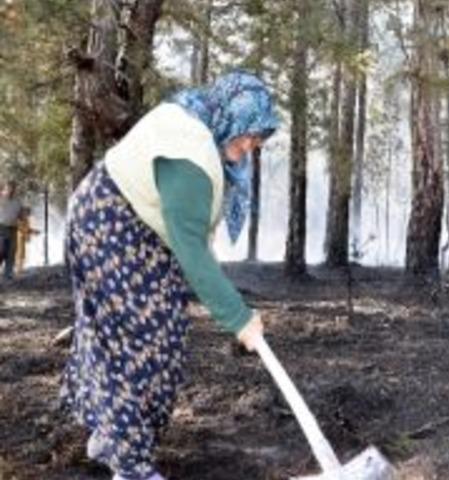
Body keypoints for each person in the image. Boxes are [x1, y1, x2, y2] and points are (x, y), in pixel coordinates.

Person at [60, 71, 280, 480]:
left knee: (166, 340)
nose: (251, 145)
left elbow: (192, 236)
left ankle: (116, 436)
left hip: (140, 231)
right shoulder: (190, 157)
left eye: (259, 137)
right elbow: (192, 250)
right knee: (138, 343)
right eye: (249, 132)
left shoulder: (204, 129)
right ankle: (131, 465)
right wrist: (237, 317)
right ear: (230, 116)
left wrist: (231, 308)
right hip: (107, 226)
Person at [0, 180, 23, 280]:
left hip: (13, 228)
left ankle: (8, 273)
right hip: (2, 227)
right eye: (9, 188)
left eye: (13, 188)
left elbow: (20, 215)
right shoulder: (1, 198)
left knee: (11, 251)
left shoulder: (17, 201)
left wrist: (24, 214)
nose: (12, 190)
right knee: (1, 250)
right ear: (6, 188)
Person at [14, 206, 40, 274]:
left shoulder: (25, 220)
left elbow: (27, 229)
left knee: (22, 254)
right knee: (20, 254)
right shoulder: (19, 220)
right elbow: (22, 229)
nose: (28, 215)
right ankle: (19, 269)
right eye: (27, 213)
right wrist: (33, 232)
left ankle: (20, 268)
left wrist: (33, 232)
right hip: (19, 237)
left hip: (22, 237)